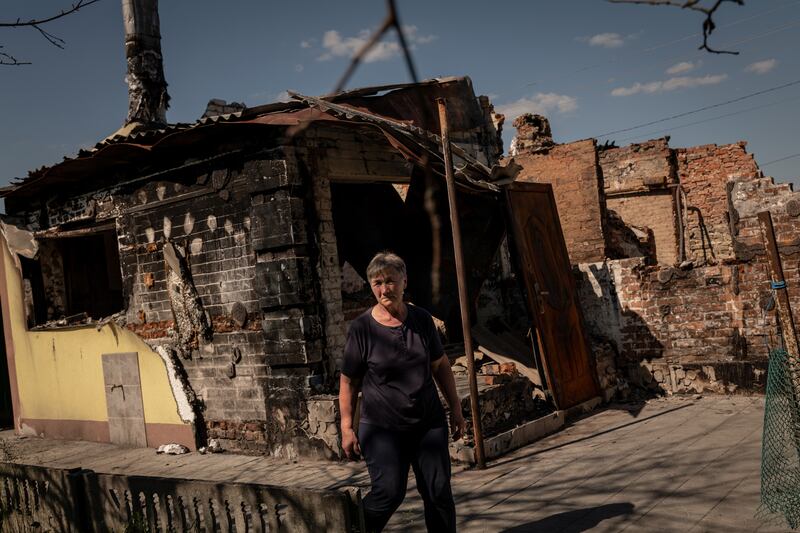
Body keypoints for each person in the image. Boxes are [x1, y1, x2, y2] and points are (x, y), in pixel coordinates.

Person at [339, 252, 466, 533]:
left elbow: (440, 365)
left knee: (438, 494)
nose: (384, 289)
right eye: (377, 282)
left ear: (404, 281)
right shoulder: (362, 329)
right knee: (388, 493)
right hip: (383, 428)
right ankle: (354, 528)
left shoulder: (421, 320)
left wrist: (455, 407)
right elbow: (348, 382)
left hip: (428, 423)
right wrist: (347, 426)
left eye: (391, 281)